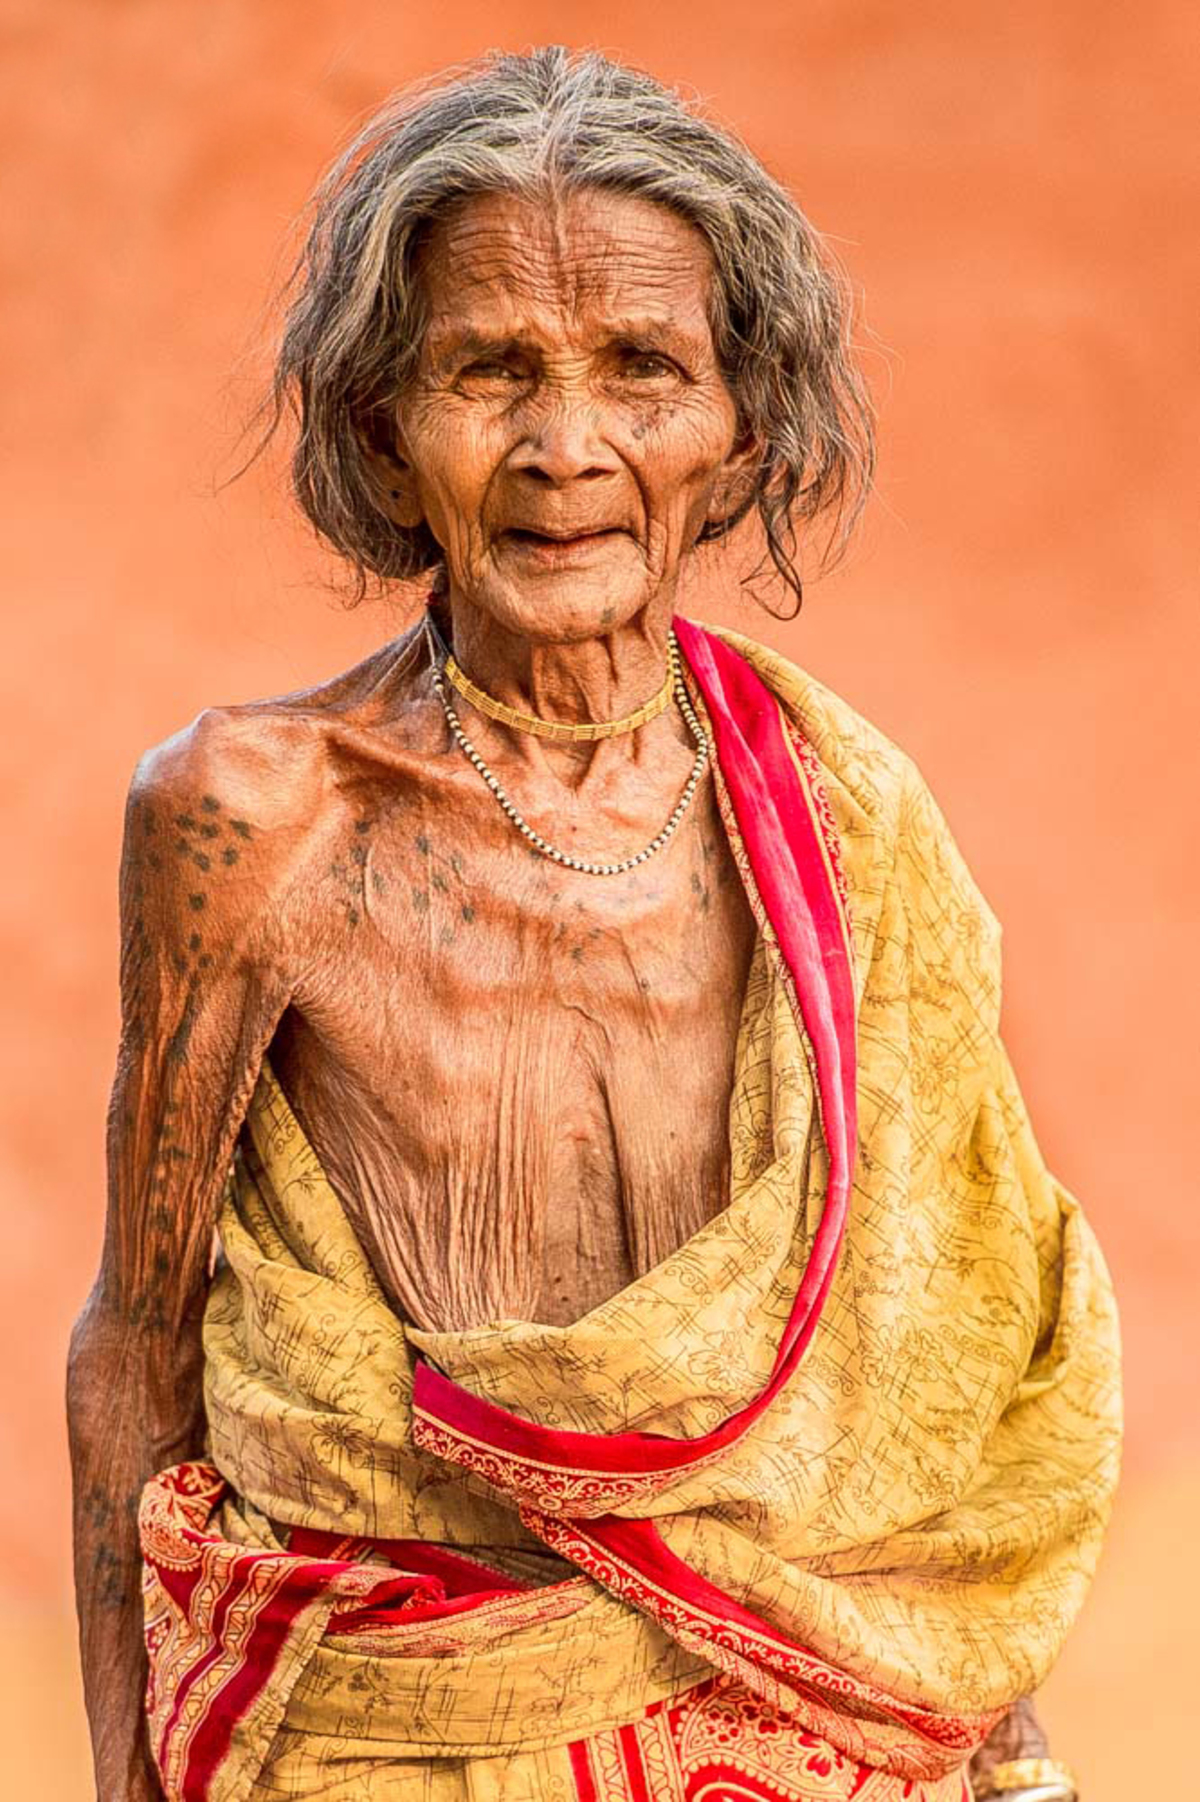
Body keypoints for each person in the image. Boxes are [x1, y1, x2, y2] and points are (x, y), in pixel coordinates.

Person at [67, 46, 1120, 1802]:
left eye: (643, 368)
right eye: (490, 372)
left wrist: (994, 1739)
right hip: (382, 1733)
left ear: (741, 431)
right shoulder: (251, 818)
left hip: (807, 1737)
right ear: (384, 432)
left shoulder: (846, 826)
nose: (569, 446)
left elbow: (935, 1380)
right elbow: (138, 1346)